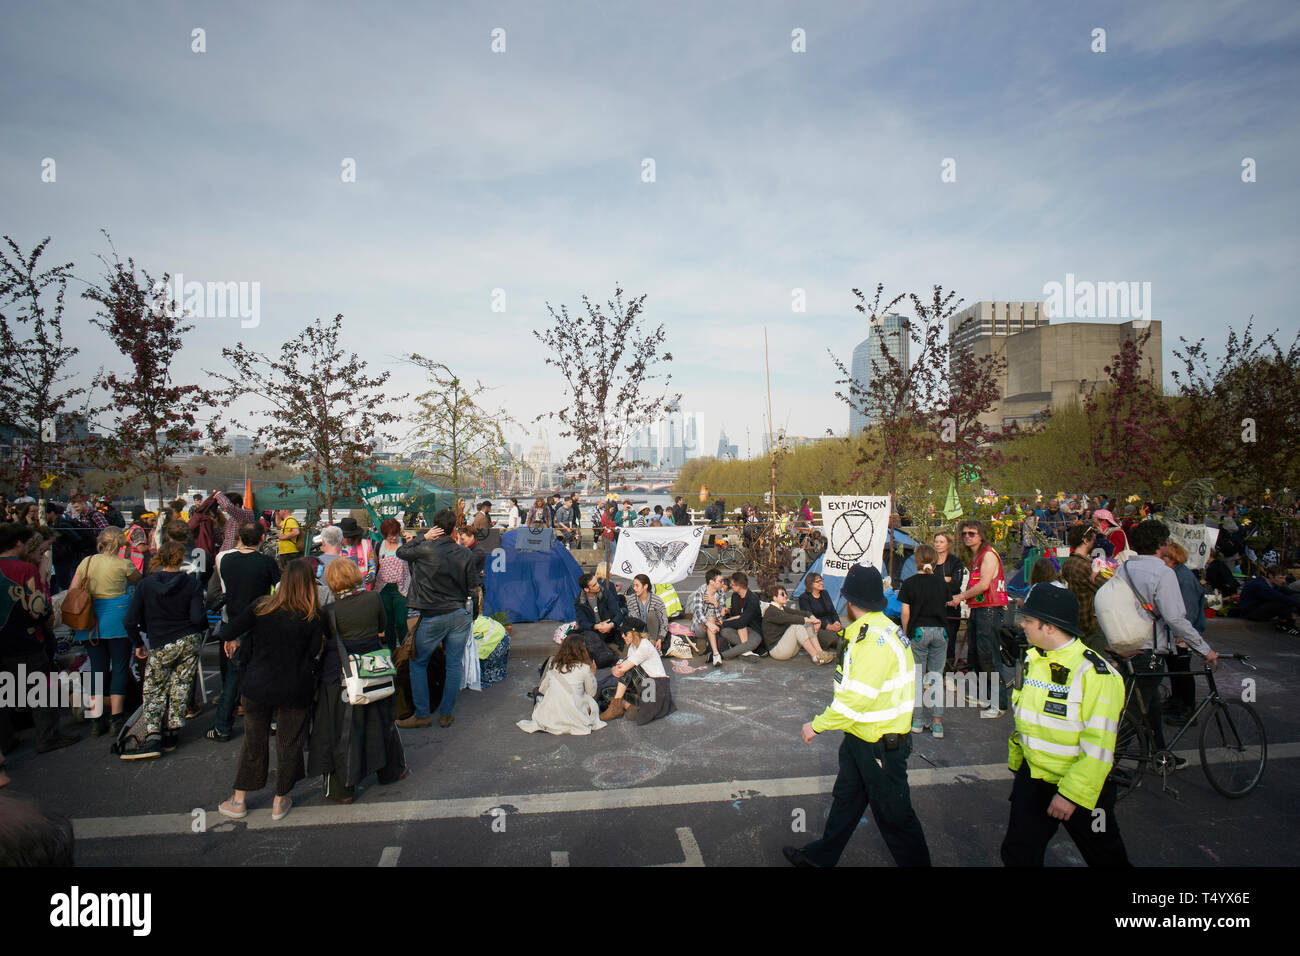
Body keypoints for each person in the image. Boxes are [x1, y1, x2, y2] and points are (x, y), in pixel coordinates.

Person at [784, 565, 931, 867]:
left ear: (849, 602)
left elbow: (856, 699)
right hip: (861, 736)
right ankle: (820, 858)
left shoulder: (874, 640)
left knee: (895, 817)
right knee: (846, 802)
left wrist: (817, 725)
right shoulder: (875, 630)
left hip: (879, 742)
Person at [1001, 583, 1130, 866]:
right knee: (1018, 854)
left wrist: (1070, 795)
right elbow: (1026, 719)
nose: (1022, 624)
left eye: (1029, 620)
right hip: (1033, 778)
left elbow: (1100, 746)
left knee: (1107, 858)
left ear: (1050, 627)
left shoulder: (1096, 674)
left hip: (1082, 789)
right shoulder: (1035, 660)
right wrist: (1017, 764)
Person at [218, 561, 326, 822]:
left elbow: (228, 630)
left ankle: (239, 798)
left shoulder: (262, 606)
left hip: (258, 682)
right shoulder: (313, 615)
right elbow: (313, 652)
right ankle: (280, 799)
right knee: (289, 742)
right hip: (294, 685)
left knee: (253, 741)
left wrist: (239, 639)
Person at [1118, 520, 1219, 764]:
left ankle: (1160, 754)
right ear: (1162, 545)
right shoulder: (1163, 573)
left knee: (1149, 708)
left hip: (1127, 644)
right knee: (1132, 713)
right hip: (1151, 649)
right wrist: (1204, 649)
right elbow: (1176, 618)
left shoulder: (1125, 568)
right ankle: (1104, 766)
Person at [309, 559, 407, 803]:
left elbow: (325, 639)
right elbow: (382, 626)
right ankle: (390, 770)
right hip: (374, 667)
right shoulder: (373, 599)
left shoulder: (330, 611)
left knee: (342, 728)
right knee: (380, 719)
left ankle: (344, 787)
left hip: (341, 674)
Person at [120, 541, 206, 759]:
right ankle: (173, 729)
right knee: (181, 684)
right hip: (187, 636)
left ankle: (153, 732)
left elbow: (130, 620)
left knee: (154, 687)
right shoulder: (191, 584)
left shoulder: (146, 585)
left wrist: (138, 644)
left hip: (160, 638)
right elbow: (197, 617)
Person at [0, 523, 79, 757]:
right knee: (40, 687)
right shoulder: (25, 569)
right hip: (25, 636)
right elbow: (37, 606)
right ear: (17, 543)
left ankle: (5, 740)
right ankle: (48, 736)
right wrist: (46, 617)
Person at [395, 509, 478, 729]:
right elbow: (473, 587)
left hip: (433, 613)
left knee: (418, 662)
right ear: (454, 529)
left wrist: (424, 536)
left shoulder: (425, 549)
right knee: (453, 664)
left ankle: (422, 714)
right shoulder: (464, 553)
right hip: (459, 612)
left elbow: (401, 552)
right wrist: (473, 614)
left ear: (435, 527)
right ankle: (446, 714)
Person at [205, 523, 283, 742]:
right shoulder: (266, 562)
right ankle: (274, 720)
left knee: (233, 678)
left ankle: (222, 726)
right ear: (261, 538)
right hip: (260, 622)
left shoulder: (226, 560)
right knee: (268, 672)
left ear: (240, 537)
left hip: (235, 621)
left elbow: (223, 592)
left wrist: (229, 633)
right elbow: (279, 590)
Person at [70, 527, 142, 737]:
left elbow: (73, 588)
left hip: (91, 618)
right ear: (121, 544)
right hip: (118, 616)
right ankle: (116, 718)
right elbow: (140, 582)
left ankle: (96, 718)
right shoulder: (124, 564)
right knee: (119, 666)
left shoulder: (87, 562)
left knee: (97, 668)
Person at [947, 520, 1011, 717]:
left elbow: (984, 584)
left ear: (981, 535)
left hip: (989, 610)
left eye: (972, 533)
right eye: (964, 533)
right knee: (976, 654)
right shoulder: (977, 556)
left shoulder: (989, 555)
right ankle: (985, 695)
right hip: (979, 609)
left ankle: (999, 703)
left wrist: (960, 597)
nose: (967, 536)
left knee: (989, 656)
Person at [899, 544, 951, 738]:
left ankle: (917, 720)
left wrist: (906, 632)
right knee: (937, 676)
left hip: (919, 632)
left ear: (917, 561)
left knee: (918, 678)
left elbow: (905, 612)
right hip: (940, 632)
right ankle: (937, 723)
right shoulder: (941, 582)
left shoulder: (909, 583)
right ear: (935, 560)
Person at [517, 635, 607, 735]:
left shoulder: (554, 665)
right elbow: (591, 693)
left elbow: (542, 689)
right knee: (598, 688)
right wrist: (592, 674)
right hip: (576, 713)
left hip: (552, 714)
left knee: (536, 690)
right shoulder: (585, 668)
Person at [1161, 542, 1205, 722]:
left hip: (1183, 632)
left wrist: (1183, 633)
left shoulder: (1183, 578)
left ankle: (1188, 710)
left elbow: (1189, 609)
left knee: (1182, 669)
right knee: (1175, 667)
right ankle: (1177, 701)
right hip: (1176, 631)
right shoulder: (1176, 574)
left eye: (1163, 557)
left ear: (1171, 559)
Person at [599, 629, 674, 724]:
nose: (622, 636)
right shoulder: (632, 647)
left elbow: (623, 668)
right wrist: (616, 669)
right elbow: (620, 669)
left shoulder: (645, 645)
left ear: (634, 633)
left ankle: (616, 708)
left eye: (625, 633)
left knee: (629, 667)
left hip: (656, 691)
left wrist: (618, 668)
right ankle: (628, 706)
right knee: (606, 692)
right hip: (644, 690)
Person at [762, 585, 834, 663]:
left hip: (788, 648)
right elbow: (791, 618)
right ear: (774, 598)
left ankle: (820, 652)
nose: (786, 596)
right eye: (782, 594)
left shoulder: (782, 608)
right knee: (796, 626)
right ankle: (815, 657)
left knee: (807, 624)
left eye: (785, 593)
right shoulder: (772, 611)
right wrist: (811, 621)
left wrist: (813, 618)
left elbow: (803, 613)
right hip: (777, 651)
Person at [573, 571, 626, 668]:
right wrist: (596, 626)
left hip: (610, 628)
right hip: (594, 630)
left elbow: (617, 613)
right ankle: (611, 658)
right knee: (582, 635)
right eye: (594, 585)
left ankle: (603, 658)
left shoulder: (605, 593)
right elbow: (582, 622)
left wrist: (611, 625)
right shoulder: (579, 602)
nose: (598, 585)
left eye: (597, 582)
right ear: (586, 589)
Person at [375, 518, 411, 654]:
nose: (394, 538)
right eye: (390, 535)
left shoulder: (404, 544)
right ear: (385, 534)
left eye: (396, 534)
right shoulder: (379, 546)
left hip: (401, 588)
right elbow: (375, 567)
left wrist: (411, 543)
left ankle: (405, 651)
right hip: (383, 588)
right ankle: (391, 652)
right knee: (388, 623)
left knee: (401, 622)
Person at [716, 571, 762, 663]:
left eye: (732, 585)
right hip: (738, 629)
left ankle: (722, 656)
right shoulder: (735, 596)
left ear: (739, 586)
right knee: (725, 631)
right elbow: (735, 613)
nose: (731, 587)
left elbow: (742, 622)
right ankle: (746, 652)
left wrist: (723, 623)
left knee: (753, 642)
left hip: (752, 629)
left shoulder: (752, 600)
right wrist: (728, 611)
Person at [1239, 564, 1300, 632]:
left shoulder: (1274, 584)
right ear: (1270, 576)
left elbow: (1290, 592)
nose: (1284, 581)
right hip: (1251, 613)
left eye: (1284, 578)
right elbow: (1280, 597)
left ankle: (1286, 622)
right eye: (1281, 578)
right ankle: (1285, 626)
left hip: (1260, 608)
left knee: (1293, 597)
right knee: (1282, 602)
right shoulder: (1260, 585)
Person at [797, 573, 843, 648]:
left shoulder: (824, 593)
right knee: (839, 642)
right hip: (817, 627)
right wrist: (828, 626)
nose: (821, 583)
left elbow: (833, 611)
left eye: (821, 580)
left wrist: (837, 622)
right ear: (810, 584)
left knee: (848, 635)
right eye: (818, 581)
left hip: (831, 623)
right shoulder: (804, 598)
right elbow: (810, 617)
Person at [689, 568, 725, 657]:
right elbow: (698, 613)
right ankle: (716, 654)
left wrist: (715, 603)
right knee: (710, 618)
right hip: (700, 626)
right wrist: (708, 624)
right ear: (711, 582)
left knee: (712, 618)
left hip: (715, 624)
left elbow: (721, 615)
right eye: (720, 581)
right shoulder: (700, 593)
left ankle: (715, 653)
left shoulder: (721, 592)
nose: (723, 583)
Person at [627, 574, 668, 649]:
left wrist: (660, 639)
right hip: (639, 634)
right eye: (634, 585)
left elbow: (664, 621)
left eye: (637, 586)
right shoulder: (631, 600)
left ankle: (653, 645)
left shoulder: (657, 600)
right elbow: (633, 620)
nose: (634, 588)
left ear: (645, 586)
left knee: (651, 615)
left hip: (654, 634)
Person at [338, 517, 376, 589]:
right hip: (342, 586)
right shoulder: (336, 546)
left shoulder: (366, 544)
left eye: (348, 537)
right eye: (343, 536)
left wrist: (371, 575)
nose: (344, 539)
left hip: (363, 586)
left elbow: (372, 565)